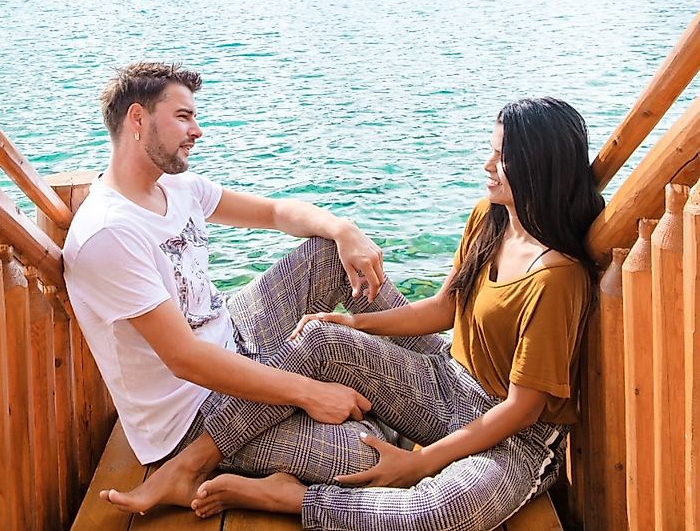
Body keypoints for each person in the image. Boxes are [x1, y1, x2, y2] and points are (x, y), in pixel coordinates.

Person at [110, 96, 603, 531]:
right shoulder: (491, 218)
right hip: (448, 384)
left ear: (539, 166)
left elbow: (524, 409)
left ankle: (295, 498)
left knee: (442, 513)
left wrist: (422, 464)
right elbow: (444, 308)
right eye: (491, 148)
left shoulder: (556, 278)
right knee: (322, 340)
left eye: (502, 156)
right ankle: (193, 462)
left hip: (514, 437)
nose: (487, 163)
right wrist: (353, 323)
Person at [63, 61, 425, 511]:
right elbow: (186, 359)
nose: (197, 130)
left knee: (328, 252)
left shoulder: (178, 187)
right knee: (366, 454)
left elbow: (275, 213)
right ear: (137, 119)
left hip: (235, 333)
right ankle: (255, 482)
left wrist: (342, 227)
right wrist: (310, 392)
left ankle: (442, 367)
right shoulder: (109, 233)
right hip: (191, 415)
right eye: (182, 117)